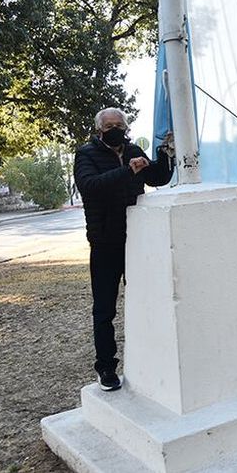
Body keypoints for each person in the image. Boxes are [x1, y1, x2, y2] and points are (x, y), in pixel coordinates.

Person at [73, 107, 174, 391]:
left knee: (145, 302)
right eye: (109, 126)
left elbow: (157, 178)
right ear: (99, 130)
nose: (115, 129)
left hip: (137, 241)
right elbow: (90, 186)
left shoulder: (132, 150)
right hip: (105, 243)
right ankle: (106, 368)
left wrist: (166, 155)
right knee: (104, 310)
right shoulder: (86, 155)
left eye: (120, 124)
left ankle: (150, 360)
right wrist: (125, 170)